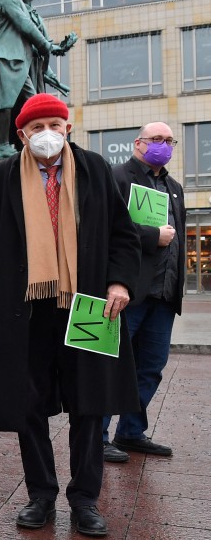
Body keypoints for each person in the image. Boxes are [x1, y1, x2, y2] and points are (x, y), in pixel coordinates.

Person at [0, 93, 140, 537]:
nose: (47, 134)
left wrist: (119, 283)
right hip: (26, 312)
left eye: (55, 125)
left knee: (90, 403)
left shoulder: (97, 172)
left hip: (86, 306)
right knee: (28, 405)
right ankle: (41, 495)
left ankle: (85, 499)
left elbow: (123, 237)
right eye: (36, 127)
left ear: (68, 127)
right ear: (21, 134)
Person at [102, 122, 183, 463]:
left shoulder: (174, 187)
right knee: (111, 364)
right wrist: (152, 236)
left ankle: (131, 431)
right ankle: (98, 435)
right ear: (138, 143)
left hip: (163, 296)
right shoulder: (119, 178)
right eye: (156, 139)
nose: (163, 145)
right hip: (129, 291)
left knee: (151, 367)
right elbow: (106, 226)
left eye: (168, 140)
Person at [0, 0, 73, 160]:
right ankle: (3, 145)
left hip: (9, 57)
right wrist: (46, 46)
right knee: (5, 101)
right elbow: (25, 24)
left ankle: (36, 139)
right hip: (10, 57)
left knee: (31, 101)